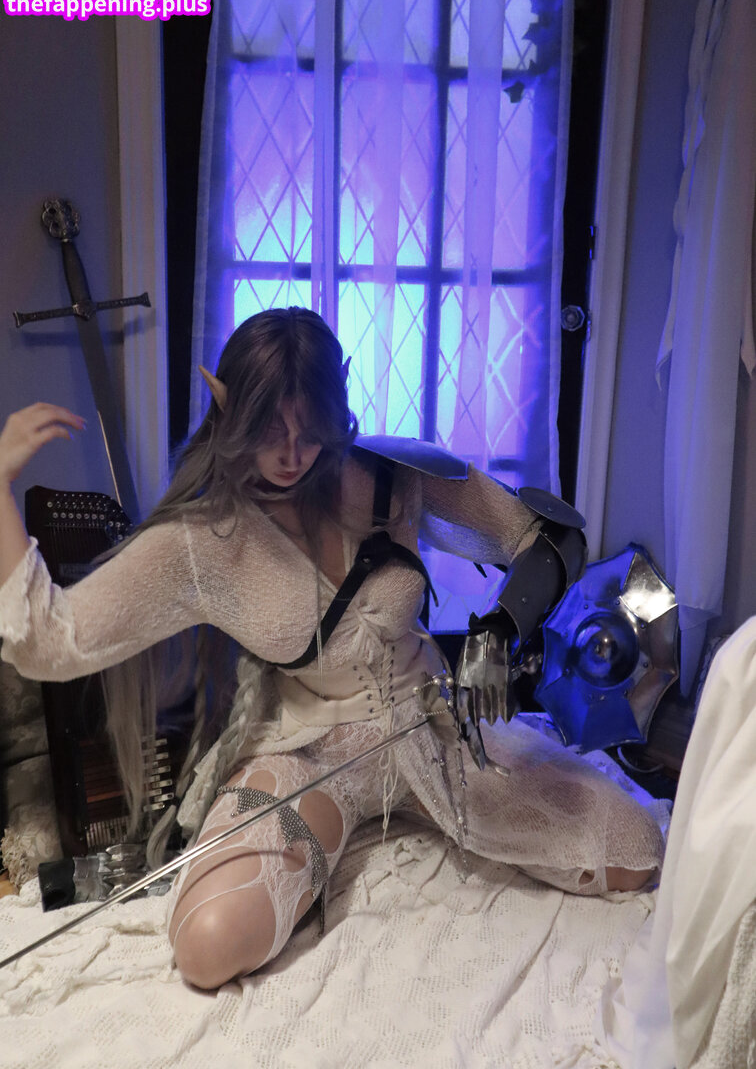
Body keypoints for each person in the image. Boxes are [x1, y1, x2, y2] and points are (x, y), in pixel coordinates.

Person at [0, 307, 664, 990]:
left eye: (310, 429)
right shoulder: (204, 541)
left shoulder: (393, 475)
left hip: (432, 731)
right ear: (226, 406)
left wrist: (498, 628)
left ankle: (406, 819)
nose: (293, 453)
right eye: (269, 430)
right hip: (308, 755)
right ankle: (339, 833)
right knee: (208, 944)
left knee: (634, 852)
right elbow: (50, 643)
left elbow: (549, 536)